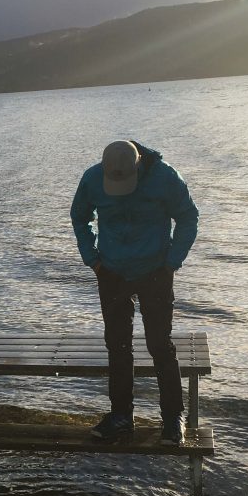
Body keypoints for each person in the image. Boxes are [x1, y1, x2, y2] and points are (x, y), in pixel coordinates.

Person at [70, 139, 199, 445]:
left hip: (155, 271)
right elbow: (79, 216)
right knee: (117, 346)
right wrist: (93, 260)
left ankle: (171, 419)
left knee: (159, 345)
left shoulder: (165, 177)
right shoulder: (92, 178)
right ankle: (121, 417)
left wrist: (172, 262)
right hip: (112, 273)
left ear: (139, 165)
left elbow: (188, 216)